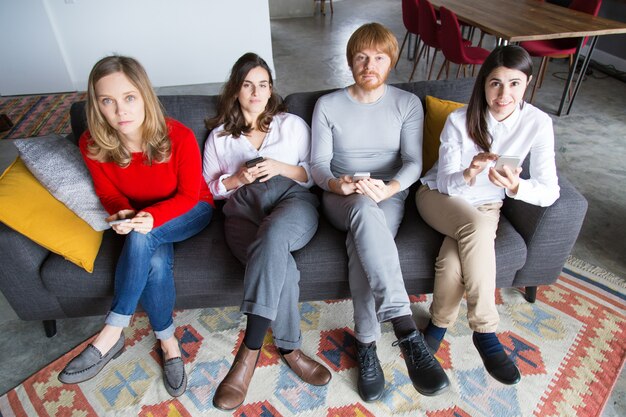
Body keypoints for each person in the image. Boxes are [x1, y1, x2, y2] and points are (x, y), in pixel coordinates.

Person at [58, 55, 214, 397]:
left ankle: (111, 333)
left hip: (191, 210)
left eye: (129, 97)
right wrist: (124, 216)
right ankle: (169, 341)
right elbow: (109, 196)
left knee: (147, 236)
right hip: (142, 220)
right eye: (107, 101)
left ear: (144, 95)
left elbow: (189, 195)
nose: (120, 111)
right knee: (154, 258)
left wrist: (151, 219)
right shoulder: (92, 144)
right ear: (96, 106)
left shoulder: (179, 136)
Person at [310, 23, 449, 401]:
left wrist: (388, 189)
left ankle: (368, 345)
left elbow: (412, 162)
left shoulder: (406, 104)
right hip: (342, 195)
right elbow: (318, 164)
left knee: (363, 244)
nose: (369, 65)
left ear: (391, 63)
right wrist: (339, 184)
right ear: (350, 61)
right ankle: (406, 330)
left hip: (388, 194)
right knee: (359, 208)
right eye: (361, 58)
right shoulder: (329, 105)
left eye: (379, 58)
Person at [416, 45, 560, 385]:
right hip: (440, 195)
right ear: (483, 84)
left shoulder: (538, 123)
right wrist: (469, 172)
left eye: (514, 83)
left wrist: (516, 187)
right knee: (477, 227)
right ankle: (485, 329)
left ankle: (435, 329)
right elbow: (445, 182)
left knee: (453, 261)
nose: (503, 94)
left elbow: (549, 190)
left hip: (487, 205)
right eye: (495, 83)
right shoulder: (459, 120)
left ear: (527, 84)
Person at [203, 52, 331, 411]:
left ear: (271, 88)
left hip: (292, 200)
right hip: (242, 209)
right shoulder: (220, 137)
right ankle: (290, 349)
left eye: (262, 84)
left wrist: (280, 167)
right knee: (282, 266)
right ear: (236, 90)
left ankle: (249, 352)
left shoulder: (291, 125)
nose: (256, 92)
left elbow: (313, 174)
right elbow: (210, 188)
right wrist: (238, 178)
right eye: (247, 85)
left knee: (274, 237)